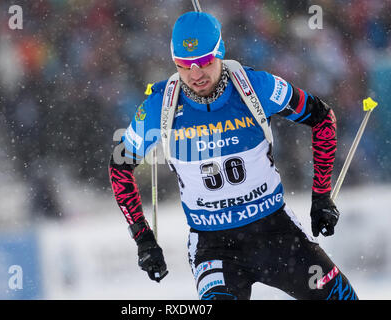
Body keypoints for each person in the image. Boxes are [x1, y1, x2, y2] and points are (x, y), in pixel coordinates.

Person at [108, 11, 358, 300]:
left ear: (220, 52)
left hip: (276, 233)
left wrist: (322, 195)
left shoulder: (255, 87)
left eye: (205, 62)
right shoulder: (158, 106)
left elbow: (322, 117)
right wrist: (143, 239)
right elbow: (119, 166)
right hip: (214, 247)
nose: (195, 74)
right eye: (184, 65)